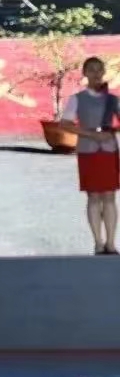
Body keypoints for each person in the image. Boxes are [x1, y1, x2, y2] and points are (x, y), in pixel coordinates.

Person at [59, 57, 120, 254]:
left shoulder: (113, 100)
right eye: (92, 70)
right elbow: (65, 124)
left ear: (104, 72)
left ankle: (111, 243)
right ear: (85, 73)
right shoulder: (77, 99)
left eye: (99, 69)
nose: (96, 73)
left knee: (109, 196)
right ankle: (98, 242)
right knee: (93, 196)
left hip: (109, 150)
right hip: (88, 150)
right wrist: (91, 134)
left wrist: (111, 131)